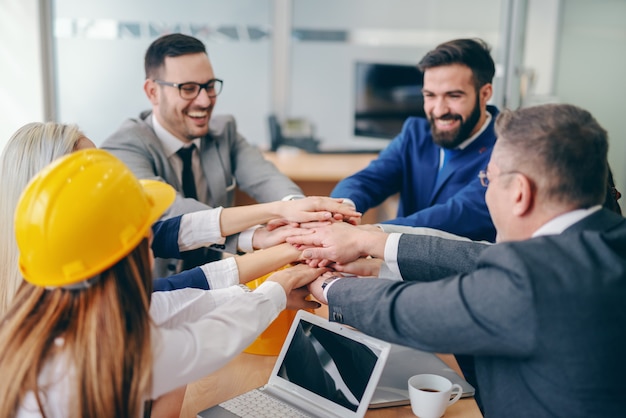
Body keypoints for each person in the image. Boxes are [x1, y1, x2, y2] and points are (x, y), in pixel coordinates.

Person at [298, 104, 626, 417]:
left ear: (519, 193)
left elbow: (408, 311)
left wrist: (329, 286)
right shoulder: (604, 242)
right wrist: (373, 244)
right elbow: (481, 258)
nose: (486, 191)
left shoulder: (534, 277)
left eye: (489, 180)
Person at [0, 149, 326, 417]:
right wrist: (277, 288)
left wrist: (274, 287)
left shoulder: (34, 329)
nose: (153, 236)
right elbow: (209, 339)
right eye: (147, 232)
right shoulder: (126, 355)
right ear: (130, 257)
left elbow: (179, 303)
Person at [101, 33, 305, 274]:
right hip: (155, 297)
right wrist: (254, 236)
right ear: (153, 92)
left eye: (209, 86)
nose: (205, 101)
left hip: (218, 286)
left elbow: (266, 178)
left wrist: (300, 211)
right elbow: (172, 214)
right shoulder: (123, 148)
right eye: (188, 89)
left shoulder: (223, 131)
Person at [331, 38, 499, 242]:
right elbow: (368, 179)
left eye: (453, 96)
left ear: (485, 94)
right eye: (430, 96)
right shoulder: (416, 133)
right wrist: (339, 212)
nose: (439, 110)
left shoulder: (505, 148)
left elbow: (458, 214)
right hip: (396, 266)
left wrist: (369, 233)